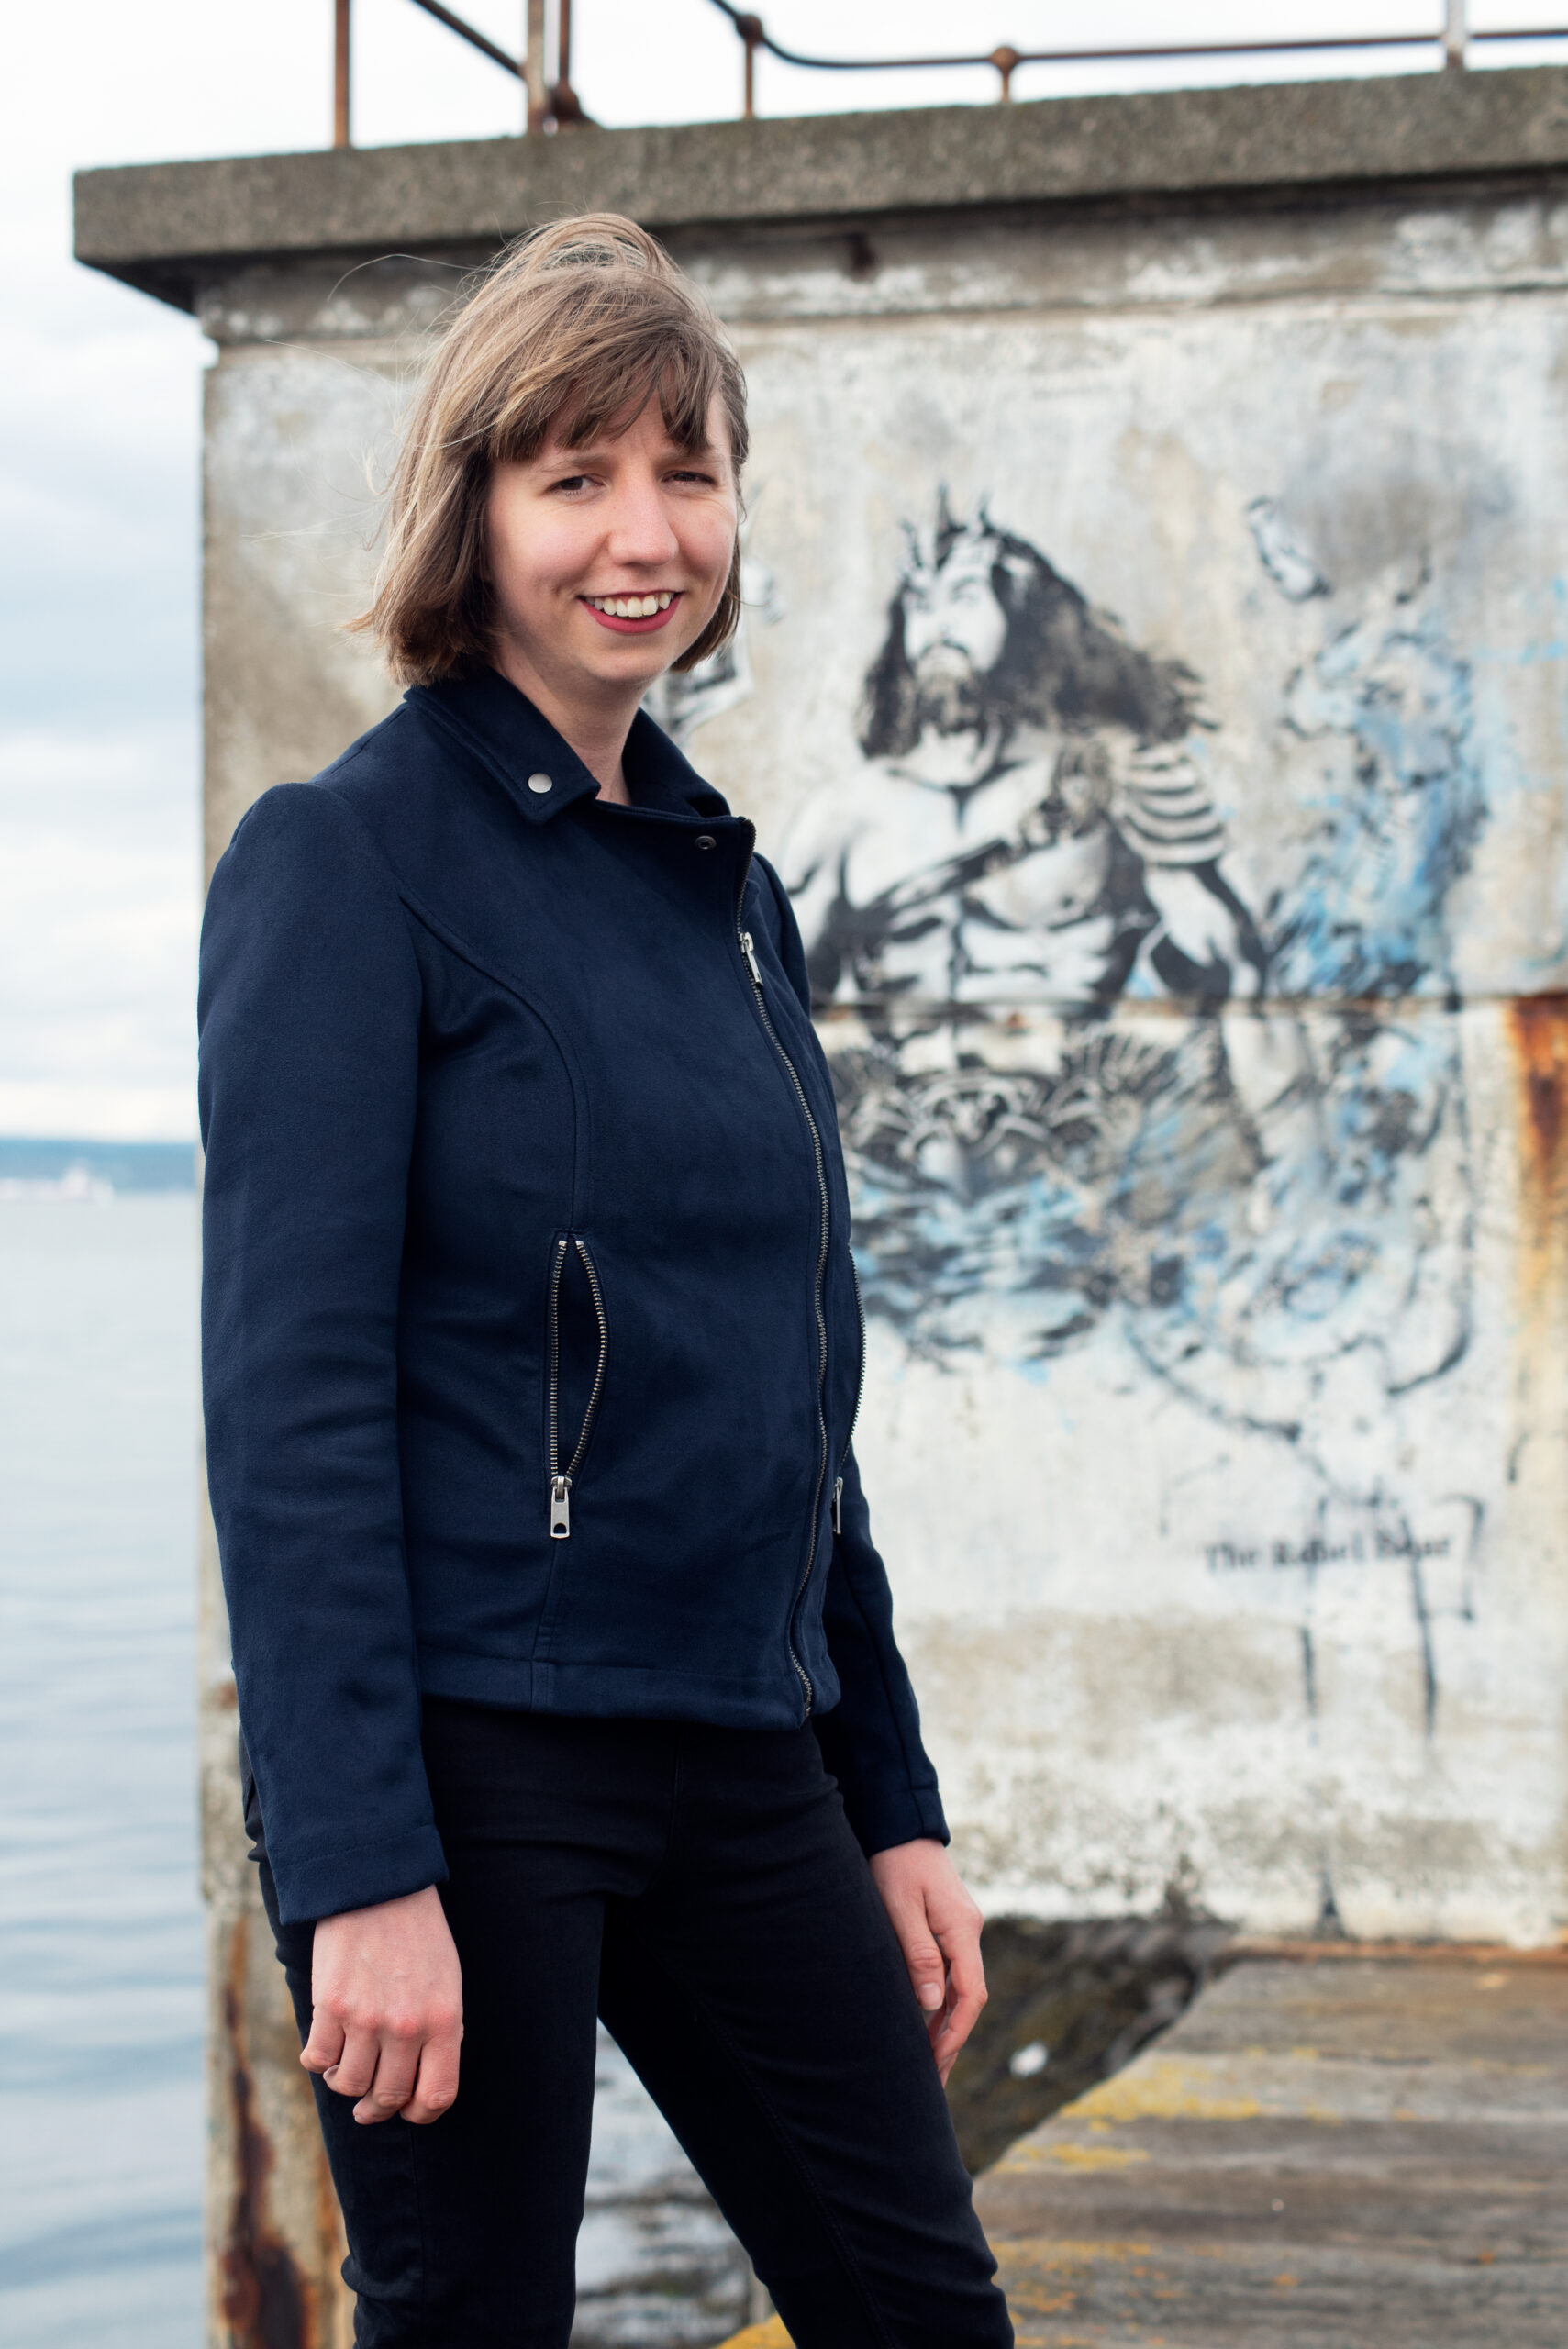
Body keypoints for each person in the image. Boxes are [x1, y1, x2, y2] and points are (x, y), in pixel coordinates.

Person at [198, 215, 1013, 2349]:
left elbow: (792, 1394)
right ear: (471, 512)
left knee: (923, 2309)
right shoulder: (345, 862)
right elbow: (286, 1417)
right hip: (478, 1772)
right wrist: (360, 1864)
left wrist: (891, 1799)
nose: (643, 533)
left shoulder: (729, 895)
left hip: (750, 1743)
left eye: (687, 469)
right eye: (575, 477)